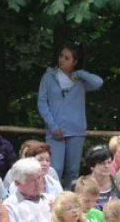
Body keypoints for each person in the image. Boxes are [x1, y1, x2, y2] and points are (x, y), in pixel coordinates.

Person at [37, 42, 103, 189]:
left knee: (73, 171)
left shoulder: (80, 80)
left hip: (76, 130)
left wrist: (79, 73)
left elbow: (99, 82)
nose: (61, 60)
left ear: (74, 62)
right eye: (61, 56)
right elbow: (42, 103)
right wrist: (53, 127)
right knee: (55, 170)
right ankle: (53, 202)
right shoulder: (48, 77)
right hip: (55, 131)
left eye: (67, 58)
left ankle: (70, 202)